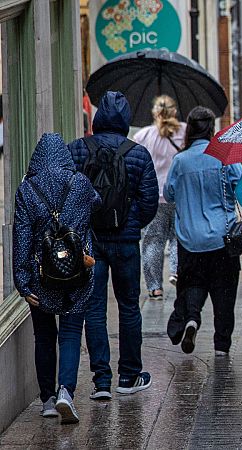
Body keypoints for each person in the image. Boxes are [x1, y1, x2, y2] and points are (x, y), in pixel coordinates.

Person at [69, 91, 158, 399]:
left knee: (94, 309)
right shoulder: (138, 153)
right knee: (129, 307)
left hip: (90, 242)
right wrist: (130, 224)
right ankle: (129, 376)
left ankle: (101, 381)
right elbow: (149, 202)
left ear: (97, 117)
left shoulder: (78, 150)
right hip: (126, 243)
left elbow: (69, 195)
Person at [14, 133, 101, 424]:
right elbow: (97, 203)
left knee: (43, 336)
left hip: (42, 276)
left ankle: (48, 400)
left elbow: (22, 237)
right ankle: (66, 390)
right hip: (77, 273)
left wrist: (22, 282)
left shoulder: (27, 189)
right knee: (71, 333)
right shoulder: (79, 183)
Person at [164, 107, 242, 356]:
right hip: (223, 238)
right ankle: (221, 346)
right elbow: (240, 187)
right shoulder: (224, 158)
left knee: (193, 285)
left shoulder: (180, 160)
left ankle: (192, 320)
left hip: (190, 240)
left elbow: (168, 194)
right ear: (211, 129)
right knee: (224, 295)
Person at [133, 95, 186, 301]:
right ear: (174, 112)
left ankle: (155, 287)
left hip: (153, 198)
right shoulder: (184, 131)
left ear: (155, 113)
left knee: (152, 241)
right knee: (178, 237)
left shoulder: (143, 136)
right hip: (179, 195)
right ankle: (176, 271)